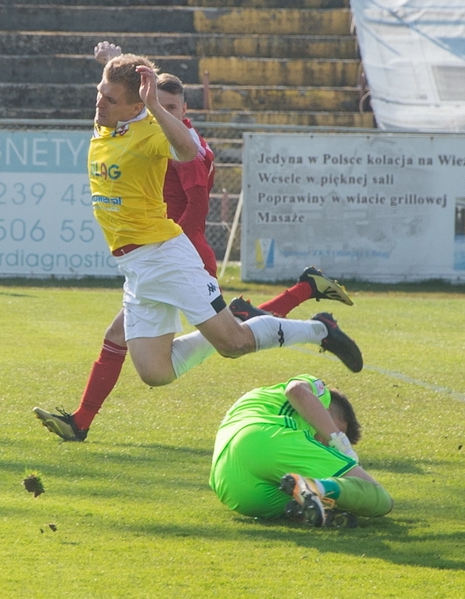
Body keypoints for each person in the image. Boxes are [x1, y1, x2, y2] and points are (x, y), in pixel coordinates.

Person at [33, 48, 356, 442]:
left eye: (109, 98)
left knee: (234, 344)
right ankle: (227, 322)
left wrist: (153, 105)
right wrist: (115, 63)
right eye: (99, 92)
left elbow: (189, 150)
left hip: (167, 256)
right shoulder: (107, 121)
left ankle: (319, 330)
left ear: (136, 104)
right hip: (136, 267)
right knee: (155, 373)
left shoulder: (151, 131)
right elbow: (119, 89)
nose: (99, 101)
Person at [210, 374, 393, 527]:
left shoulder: (259, 399)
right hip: (266, 438)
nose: (326, 446)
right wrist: (340, 442)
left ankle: (313, 508)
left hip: (230, 484)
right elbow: (296, 390)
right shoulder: (320, 392)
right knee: (381, 498)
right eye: (339, 429)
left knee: (308, 493)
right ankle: (318, 487)